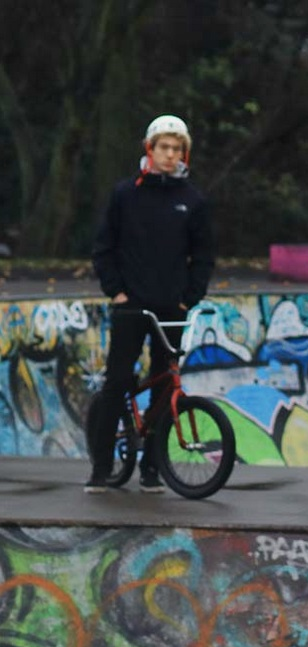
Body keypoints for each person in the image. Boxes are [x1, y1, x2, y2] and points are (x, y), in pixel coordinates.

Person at [86, 114, 215, 493]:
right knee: (117, 382)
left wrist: (188, 299)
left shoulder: (192, 201)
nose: (170, 155)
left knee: (165, 385)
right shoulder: (126, 194)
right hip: (131, 306)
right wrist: (116, 292)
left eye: (177, 149)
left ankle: (152, 468)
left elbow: (203, 255)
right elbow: (104, 247)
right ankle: (101, 468)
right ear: (150, 149)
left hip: (171, 308)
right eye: (164, 147)